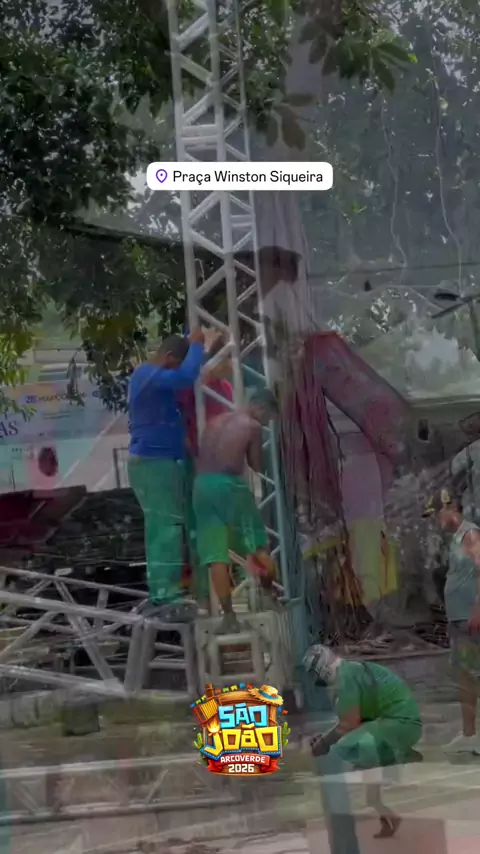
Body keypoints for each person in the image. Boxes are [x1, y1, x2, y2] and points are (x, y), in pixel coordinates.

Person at [304, 644, 422, 838]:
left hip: (399, 723)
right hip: (392, 722)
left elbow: (349, 723)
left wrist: (325, 742)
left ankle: (396, 759)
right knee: (368, 780)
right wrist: (325, 738)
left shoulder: (346, 677)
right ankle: (387, 815)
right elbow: (352, 719)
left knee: (350, 746)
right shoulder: (349, 672)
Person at [127, 330, 205, 621]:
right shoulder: (146, 374)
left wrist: (193, 340)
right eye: (175, 365)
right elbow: (185, 376)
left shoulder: (155, 379)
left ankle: (169, 590)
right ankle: (165, 594)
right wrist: (197, 345)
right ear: (169, 357)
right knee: (165, 527)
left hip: (162, 462)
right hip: (153, 462)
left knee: (171, 525)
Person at [193, 388, 278, 632]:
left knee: (215, 556)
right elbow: (256, 466)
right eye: (267, 418)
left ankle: (229, 616)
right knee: (258, 545)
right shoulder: (252, 426)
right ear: (260, 407)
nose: (265, 423)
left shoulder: (214, 421)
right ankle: (269, 595)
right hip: (228, 486)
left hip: (201, 486)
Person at [177, 335, 234, 603]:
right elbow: (180, 419)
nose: (233, 367)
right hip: (198, 465)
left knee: (226, 529)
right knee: (201, 530)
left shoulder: (226, 388)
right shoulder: (196, 386)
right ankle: (203, 591)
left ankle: (230, 584)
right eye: (230, 360)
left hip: (222, 466)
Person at [423, 487, 480, 754]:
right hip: (459, 620)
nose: (436, 521)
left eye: (437, 514)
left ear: (449, 508)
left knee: (472, 673)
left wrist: (477, 607)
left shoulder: (470, 534)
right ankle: (469, 734)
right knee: (465, 675)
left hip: (472, 618)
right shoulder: (456, 539)